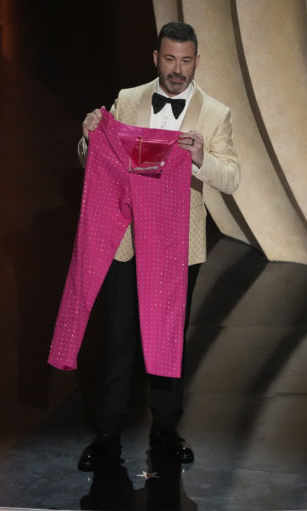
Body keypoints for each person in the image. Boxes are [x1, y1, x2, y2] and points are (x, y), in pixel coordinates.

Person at [76, 21, 240, 471]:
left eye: (186, 61)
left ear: (197, 61)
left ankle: (165, 432)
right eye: (170, 59)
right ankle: (107, 436)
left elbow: (232, 177)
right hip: (128, 239)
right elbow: (95, 163)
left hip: (178, 246)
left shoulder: (216, 113)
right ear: (156, 58)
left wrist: (202, 157)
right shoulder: (128, 99)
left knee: (168, 339)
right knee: (118, 336)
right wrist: (89, 139)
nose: (178, 70)